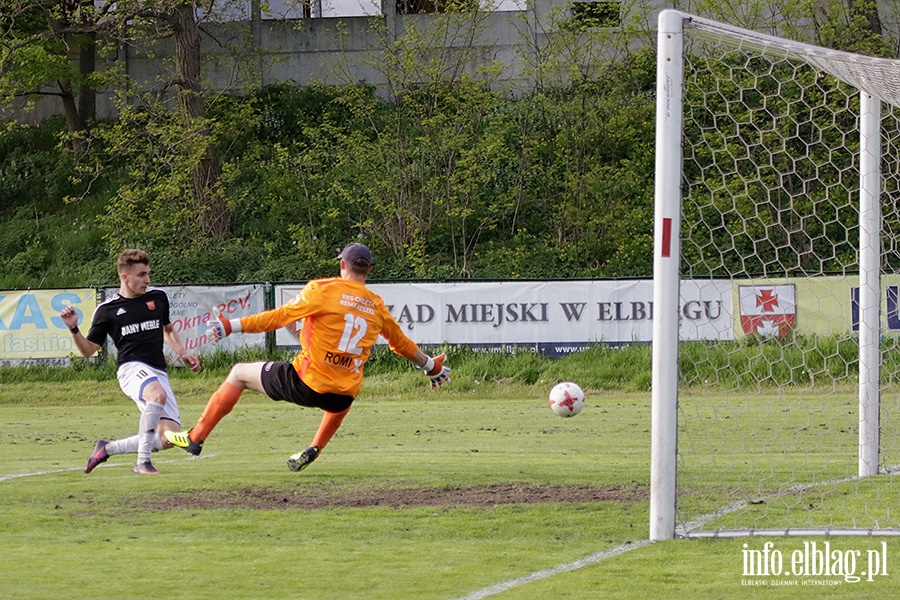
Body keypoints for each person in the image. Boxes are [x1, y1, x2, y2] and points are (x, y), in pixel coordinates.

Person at [165, 242, 451, 472]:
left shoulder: (323, 289)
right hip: (341, 397)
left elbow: (276, 318)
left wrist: (231, 325)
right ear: (370, 270)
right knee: (344, 386)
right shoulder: (376, 306)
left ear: (341, 265)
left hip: (307, 384)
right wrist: (431, 366)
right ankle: (315, 446)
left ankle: (195, 437)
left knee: (239, 373)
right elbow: (402, 345)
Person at [60, 249, 201, 475]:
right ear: (125, 277)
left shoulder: (158, 298)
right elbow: (88, 351)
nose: (147, 280)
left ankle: (106, 449)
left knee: (167, 438)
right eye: (141, 275)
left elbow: (168, 330)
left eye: (148, 274)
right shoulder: (107, 310)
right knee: (157, 395)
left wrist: (182, 353)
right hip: (130, 369)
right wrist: (73, 328)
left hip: (158, 371)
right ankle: (142, 463)